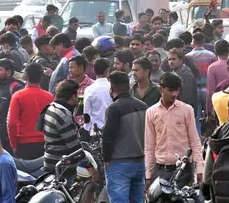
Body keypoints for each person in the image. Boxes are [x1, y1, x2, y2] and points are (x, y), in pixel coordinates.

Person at [144, 72, 203, 189]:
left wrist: (200, 168)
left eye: (176, 90)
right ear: (161, 89)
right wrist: (148, 174)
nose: (174, 94)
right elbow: (149, 146)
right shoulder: (151, 112)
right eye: (171, 90)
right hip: (160, 170)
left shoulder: (186, 110)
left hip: (183, 170)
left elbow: (195, 141)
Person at [103, 71, 148, 203]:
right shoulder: (143, 106)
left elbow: (108, 137)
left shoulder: (114, 108)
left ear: (111, 87)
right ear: (128, 86)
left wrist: (106, 158)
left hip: (119, 163)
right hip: (140, 162)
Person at [40, 80, 96, 185]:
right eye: (77, 95)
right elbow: (75, 148)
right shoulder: (63, 115)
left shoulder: (51, 107)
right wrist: (91, 168)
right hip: (62, 168)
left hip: (51, 162)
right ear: (72, 97)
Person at [8, 62, 54, 159]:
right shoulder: (50, 97)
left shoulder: (18, 96)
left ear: (25, 76)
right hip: (45, 144)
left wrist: (13, 145)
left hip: (24, 145)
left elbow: (11, 123)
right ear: (42, 77)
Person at [0, 58, 25, 154]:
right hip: (2, 134)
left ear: (8, 72)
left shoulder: (16, 87)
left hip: (12, 137)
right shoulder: (0, 85)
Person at [186, 32, 217, 119]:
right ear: (204, 41)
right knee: (209, 115)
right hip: (208, 90)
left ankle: (198, 132)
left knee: (197, 116)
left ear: (193, 42)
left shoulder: (188, 57)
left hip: (194, 90)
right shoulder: (211, 55)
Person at [83, 58, 112, 133]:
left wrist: (87, 128)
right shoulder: (113, 87)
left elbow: (87, 112)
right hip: (112, 130)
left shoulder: (89, 89)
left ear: (94, 70)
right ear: (107, 71)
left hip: (96, 131)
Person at [205, 39, 229, 115]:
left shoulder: (212, 67)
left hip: (219, 104)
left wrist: (208, 111)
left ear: (215, 51)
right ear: (228, 50)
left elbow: (210, 92)